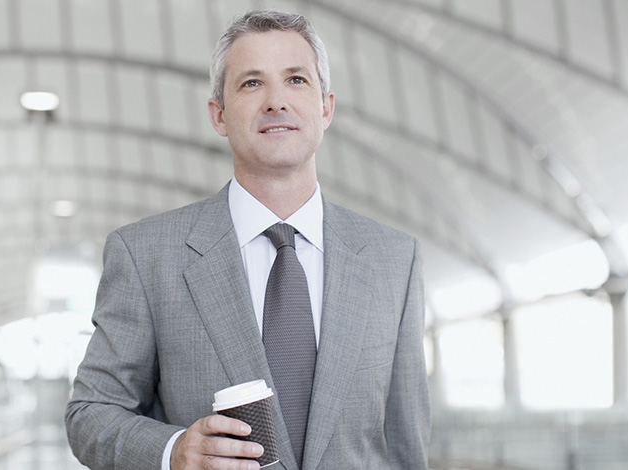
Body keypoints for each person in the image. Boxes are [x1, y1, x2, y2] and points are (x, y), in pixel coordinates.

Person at [65, 9, 429, 470]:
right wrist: (173, 450)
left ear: (326, 107)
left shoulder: (395, 259)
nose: (277, 101)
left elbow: (405, 442)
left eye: (296, 80)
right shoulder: (145, 255)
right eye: (251, 83)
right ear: (218, 115)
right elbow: (90, 414)